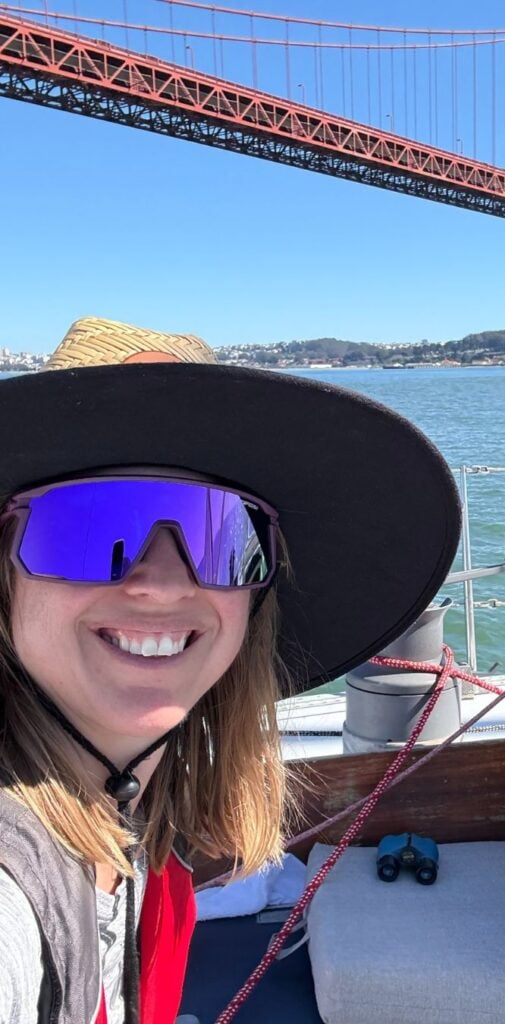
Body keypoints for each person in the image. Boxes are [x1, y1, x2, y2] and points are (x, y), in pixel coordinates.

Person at [0, 317, 461, 1024]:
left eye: (221, 536)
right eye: (90, 528)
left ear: (256, 596)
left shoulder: (134, 813)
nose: (162, 584)